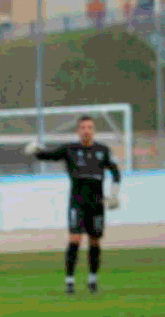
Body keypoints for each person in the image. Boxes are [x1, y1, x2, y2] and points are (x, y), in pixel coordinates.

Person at [23, 115, 121, 294]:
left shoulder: (102, 150)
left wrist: (114, 194)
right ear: (78, 131)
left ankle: (92, 280)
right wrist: (35, 151)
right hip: (77, 203)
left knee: (95, 241)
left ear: (94, 130)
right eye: (83, 127)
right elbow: (49, 155)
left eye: (90, 127)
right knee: (75, 239)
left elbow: (115, 171)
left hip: (97, 203)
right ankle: (69, 281)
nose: (86, 130)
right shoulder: (70, 150)